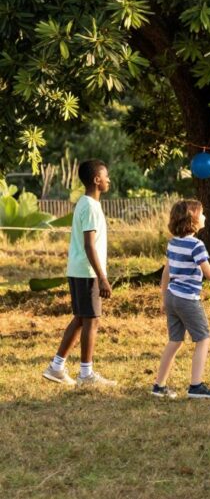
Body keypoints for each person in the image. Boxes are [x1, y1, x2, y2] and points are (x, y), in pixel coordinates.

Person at [42, 160, 116, 388]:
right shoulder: (91, 207)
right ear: (97, 180)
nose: (109, 180)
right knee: (91, 321)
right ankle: (86, 375)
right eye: (106, 176)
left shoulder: (84, 203)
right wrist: (102, 277)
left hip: (77, 270)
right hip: (87, 272)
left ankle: (56, 367)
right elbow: (89, 245)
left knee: (81, 319)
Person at [152, 200, 210, 399]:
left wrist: (164, 298)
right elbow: (208, 272)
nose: (205, 217)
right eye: (203, 214)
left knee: (174, 341)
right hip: (187, 299)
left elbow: (166, 271)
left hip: (172, 297)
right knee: (203, 338)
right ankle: (196, 386)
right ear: (193, 220)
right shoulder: (197, 245)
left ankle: (159, 386)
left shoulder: (173, 243)